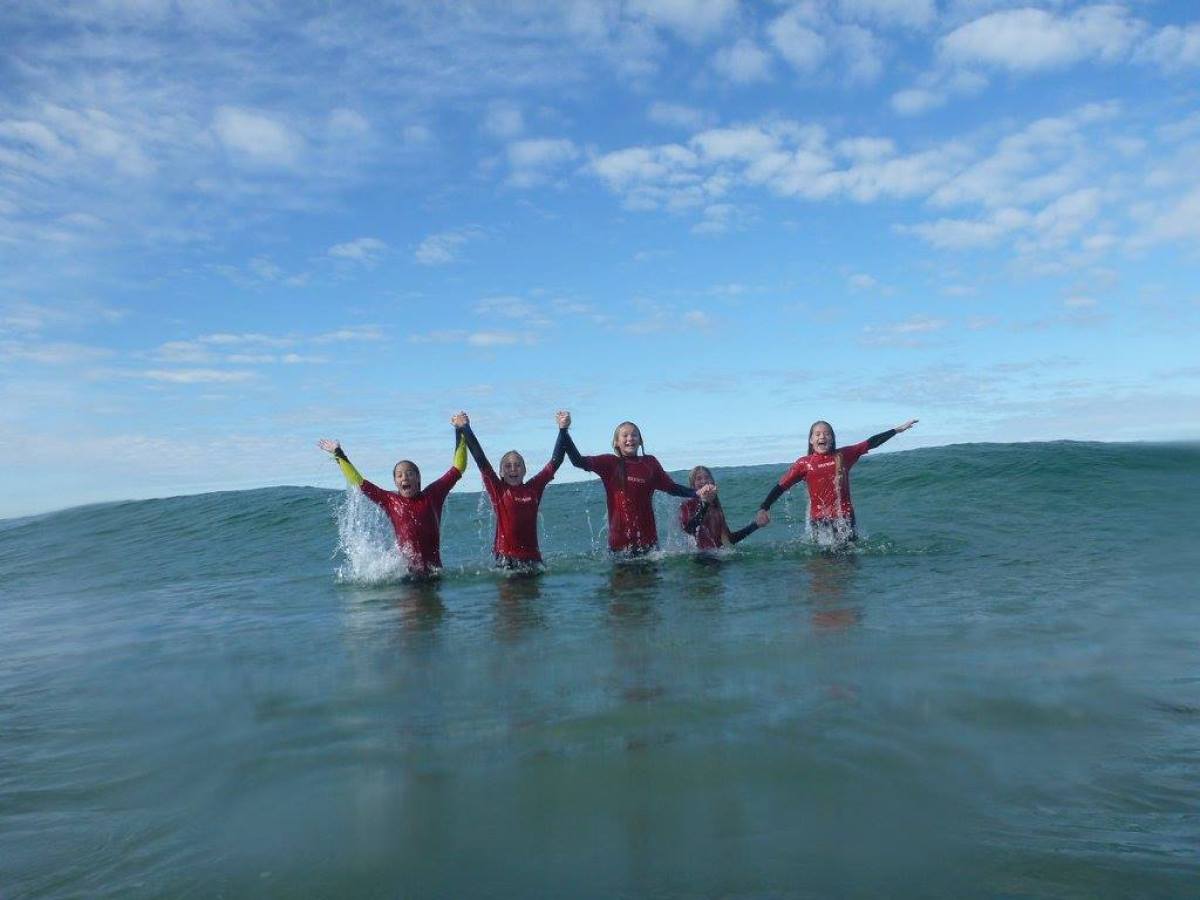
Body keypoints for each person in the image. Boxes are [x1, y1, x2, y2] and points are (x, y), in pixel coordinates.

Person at [316, 427, 468, 576]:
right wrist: (339, 454)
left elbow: (458, 468)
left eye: (409, 474)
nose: (404, 478)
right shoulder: (390, 501)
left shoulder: (433, 495)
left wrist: (459, 430)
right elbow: (360, 483)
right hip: (408, 577)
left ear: (418, 478)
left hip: (435, 573)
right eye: (399, 475)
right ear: (395, 482)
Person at [562, 418, 716, 554]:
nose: (630, 438)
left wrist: (697, 493)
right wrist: (563, 430)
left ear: (641, 440)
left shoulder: (649, 463)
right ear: (616, 442)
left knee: (650, 587)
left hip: (649, 546)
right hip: (619, 548)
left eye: (634, 435)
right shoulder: (609, 463)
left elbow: (672, 488)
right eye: (625, 435)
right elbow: (578, 461)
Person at [756, 419, 918, 543]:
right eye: (817, 434)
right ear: (811, 440)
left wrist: (897, 430)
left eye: (827, 434)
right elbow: (781, 486)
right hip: (819, 520)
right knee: (824, 563)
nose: (822, 436)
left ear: (832, 439)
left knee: (848, 560)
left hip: (844, 516)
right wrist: (764, 507)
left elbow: (870, 442)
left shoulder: (843, 455)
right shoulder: (803, 463)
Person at [452, 409, 569, 569]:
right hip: (505, 560)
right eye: (507, 466)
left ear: (524, 470)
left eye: (517, 465)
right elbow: (480, 458)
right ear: (500, 472)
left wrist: (563, 429)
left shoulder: (534, 488)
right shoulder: (497, 489)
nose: (513, 469)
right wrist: (465, 428)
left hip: (532, 559)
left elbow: (556, 460)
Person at [679, 465, 764, 551]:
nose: (704, 481)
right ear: (692, 485)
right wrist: (706, 504)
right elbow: (689, 529)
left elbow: (729, 540)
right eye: (699, 479)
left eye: (707, 477)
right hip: (701, 558)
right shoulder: (687, 505)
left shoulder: (715, 506)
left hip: (718, 555)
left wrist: (756, 525)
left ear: (712, 482)